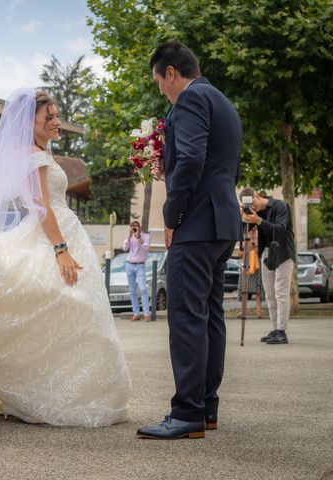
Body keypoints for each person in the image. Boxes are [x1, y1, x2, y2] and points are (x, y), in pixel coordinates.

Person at [0, 88, 131, 427]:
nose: (57, 121)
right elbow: (41, 207)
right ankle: (60, 393)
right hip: (52, 235)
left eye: (56, 115)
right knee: (74, 309)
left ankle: (73, 390)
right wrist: (61, 250)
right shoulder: (34, 155)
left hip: (61, 229)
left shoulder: (43, 152)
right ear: (31, 123)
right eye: (50, 117)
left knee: (73, 314)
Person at [137, 41, 242, 440]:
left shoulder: (192, 100)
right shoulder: (223, 102)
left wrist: (172, 215)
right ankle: (206, 408)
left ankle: (186, 414)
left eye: (159, 82)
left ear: (170, 73)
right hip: (221, 223)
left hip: (196, 224)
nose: (161, 91)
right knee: (210, 316)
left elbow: (192, 159)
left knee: (186, 318)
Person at [240, 187, 296, 345]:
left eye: (254, 204)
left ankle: (282, 331)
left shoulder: (280, 206)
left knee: (281, 292)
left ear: (257, 196)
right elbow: (244, 233)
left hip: (283, 252)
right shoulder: (254, 212)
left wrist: (259, 220)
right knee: (270, 294)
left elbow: (280, 231)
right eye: (249, 205)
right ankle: (275, 329)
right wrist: (243, 219)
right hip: (266, 254)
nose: (254, 208)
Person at [122, 220, 152, 321]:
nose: (134, 227)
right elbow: (125, 248)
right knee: (132, 291)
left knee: (143, 289)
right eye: (132, 226)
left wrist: (138, 236)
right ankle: (136, 313)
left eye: (136, 226)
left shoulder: (146, 236)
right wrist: (129, 236)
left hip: (140, 266)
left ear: (140, 226)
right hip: (129, 265)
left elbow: (146, 248)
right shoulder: (130, 237)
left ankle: (146, 313)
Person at [236, 225, 264, 319]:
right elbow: (239, 253)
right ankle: (244, 311)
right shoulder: (243, 241)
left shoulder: (259, 240)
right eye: (251, 230)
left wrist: (254, 246)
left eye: (254, 230)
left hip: (256, 267)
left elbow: (261, 251)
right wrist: (247, 248)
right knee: (244, 290)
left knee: (258, 290)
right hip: (246, 267)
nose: (252, 232)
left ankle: (259, 311)